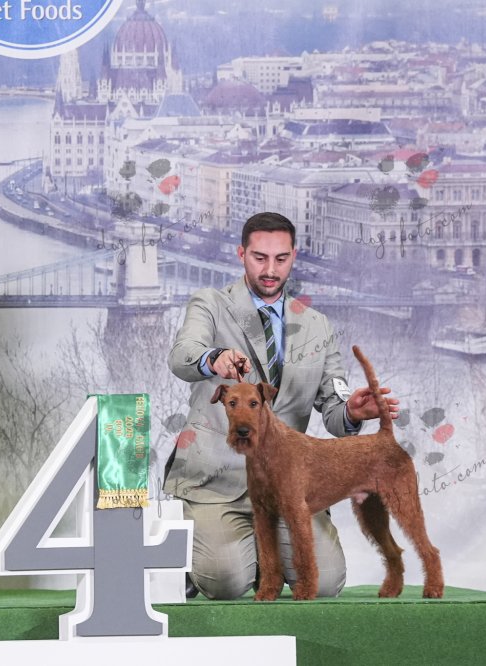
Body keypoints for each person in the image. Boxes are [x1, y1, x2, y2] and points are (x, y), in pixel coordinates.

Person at [164, 211, 399, 600]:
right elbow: (181, 355)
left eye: (281, 258)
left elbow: (334, 408)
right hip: (219, 482)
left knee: (327, 583)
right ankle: (217, 556)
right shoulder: (210, 304)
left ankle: (260, 553)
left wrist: (352, 412)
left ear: (294, 256)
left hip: (289, 482)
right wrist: (213, 358)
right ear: (241, 253)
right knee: (226, 583)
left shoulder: (317, 326)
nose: (270, 270)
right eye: (259, 258)